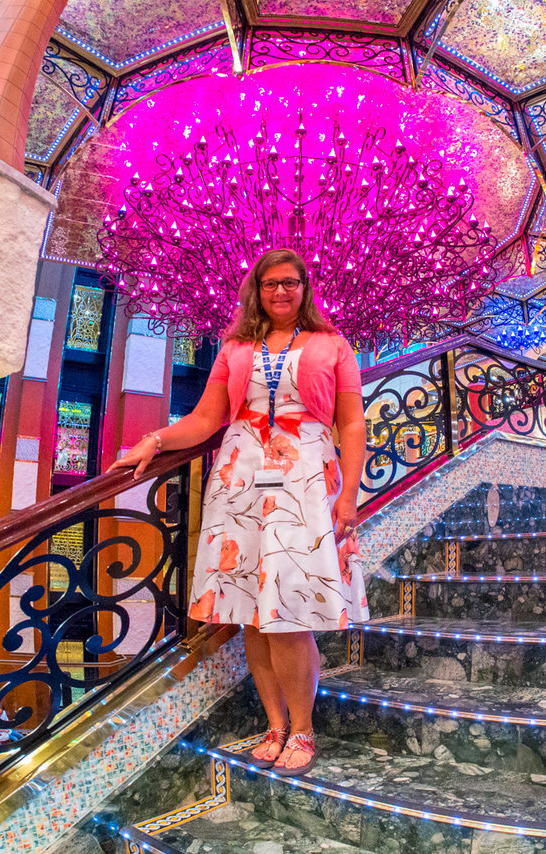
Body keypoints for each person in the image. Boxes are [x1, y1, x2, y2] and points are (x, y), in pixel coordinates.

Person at [112, 248, 369, 777]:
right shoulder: (235, 347)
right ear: (257, 289)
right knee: (250, 610)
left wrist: (349, 495)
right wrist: (155, 440)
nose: (281, 292)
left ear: (305, 288)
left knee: (289, 613)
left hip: (306, 477)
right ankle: (274, 724)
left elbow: (352, 424)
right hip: (240, 477)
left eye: (291, 283)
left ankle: (302, 730)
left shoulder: (333, 344)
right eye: (271, 283)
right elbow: (207, 418)